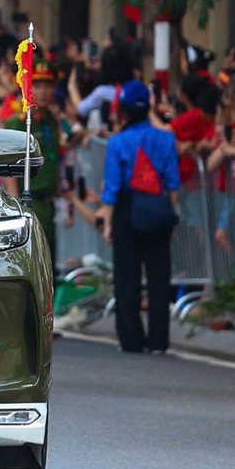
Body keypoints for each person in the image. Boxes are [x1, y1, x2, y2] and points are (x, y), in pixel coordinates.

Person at [97, 81, 180, 354]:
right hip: (158, 207)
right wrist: (172, 216)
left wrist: (108, 223)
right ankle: (159, 341)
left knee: (127, 277)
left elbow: (112, 188)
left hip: (126, 209)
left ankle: (131, 340)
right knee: (159, 277)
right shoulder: (167, 138)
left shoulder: (117, 142)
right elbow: (172, 184)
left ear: (124, 111)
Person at [9, 57, 66, 270]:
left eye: (48, 85)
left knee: (49, 265)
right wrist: (18, 208)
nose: (43, 91)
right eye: (37, 85)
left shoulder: (51, 119)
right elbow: (10, 168)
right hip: (30, 203)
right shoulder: (19, 122)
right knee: (32, 266)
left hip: (49, 203)